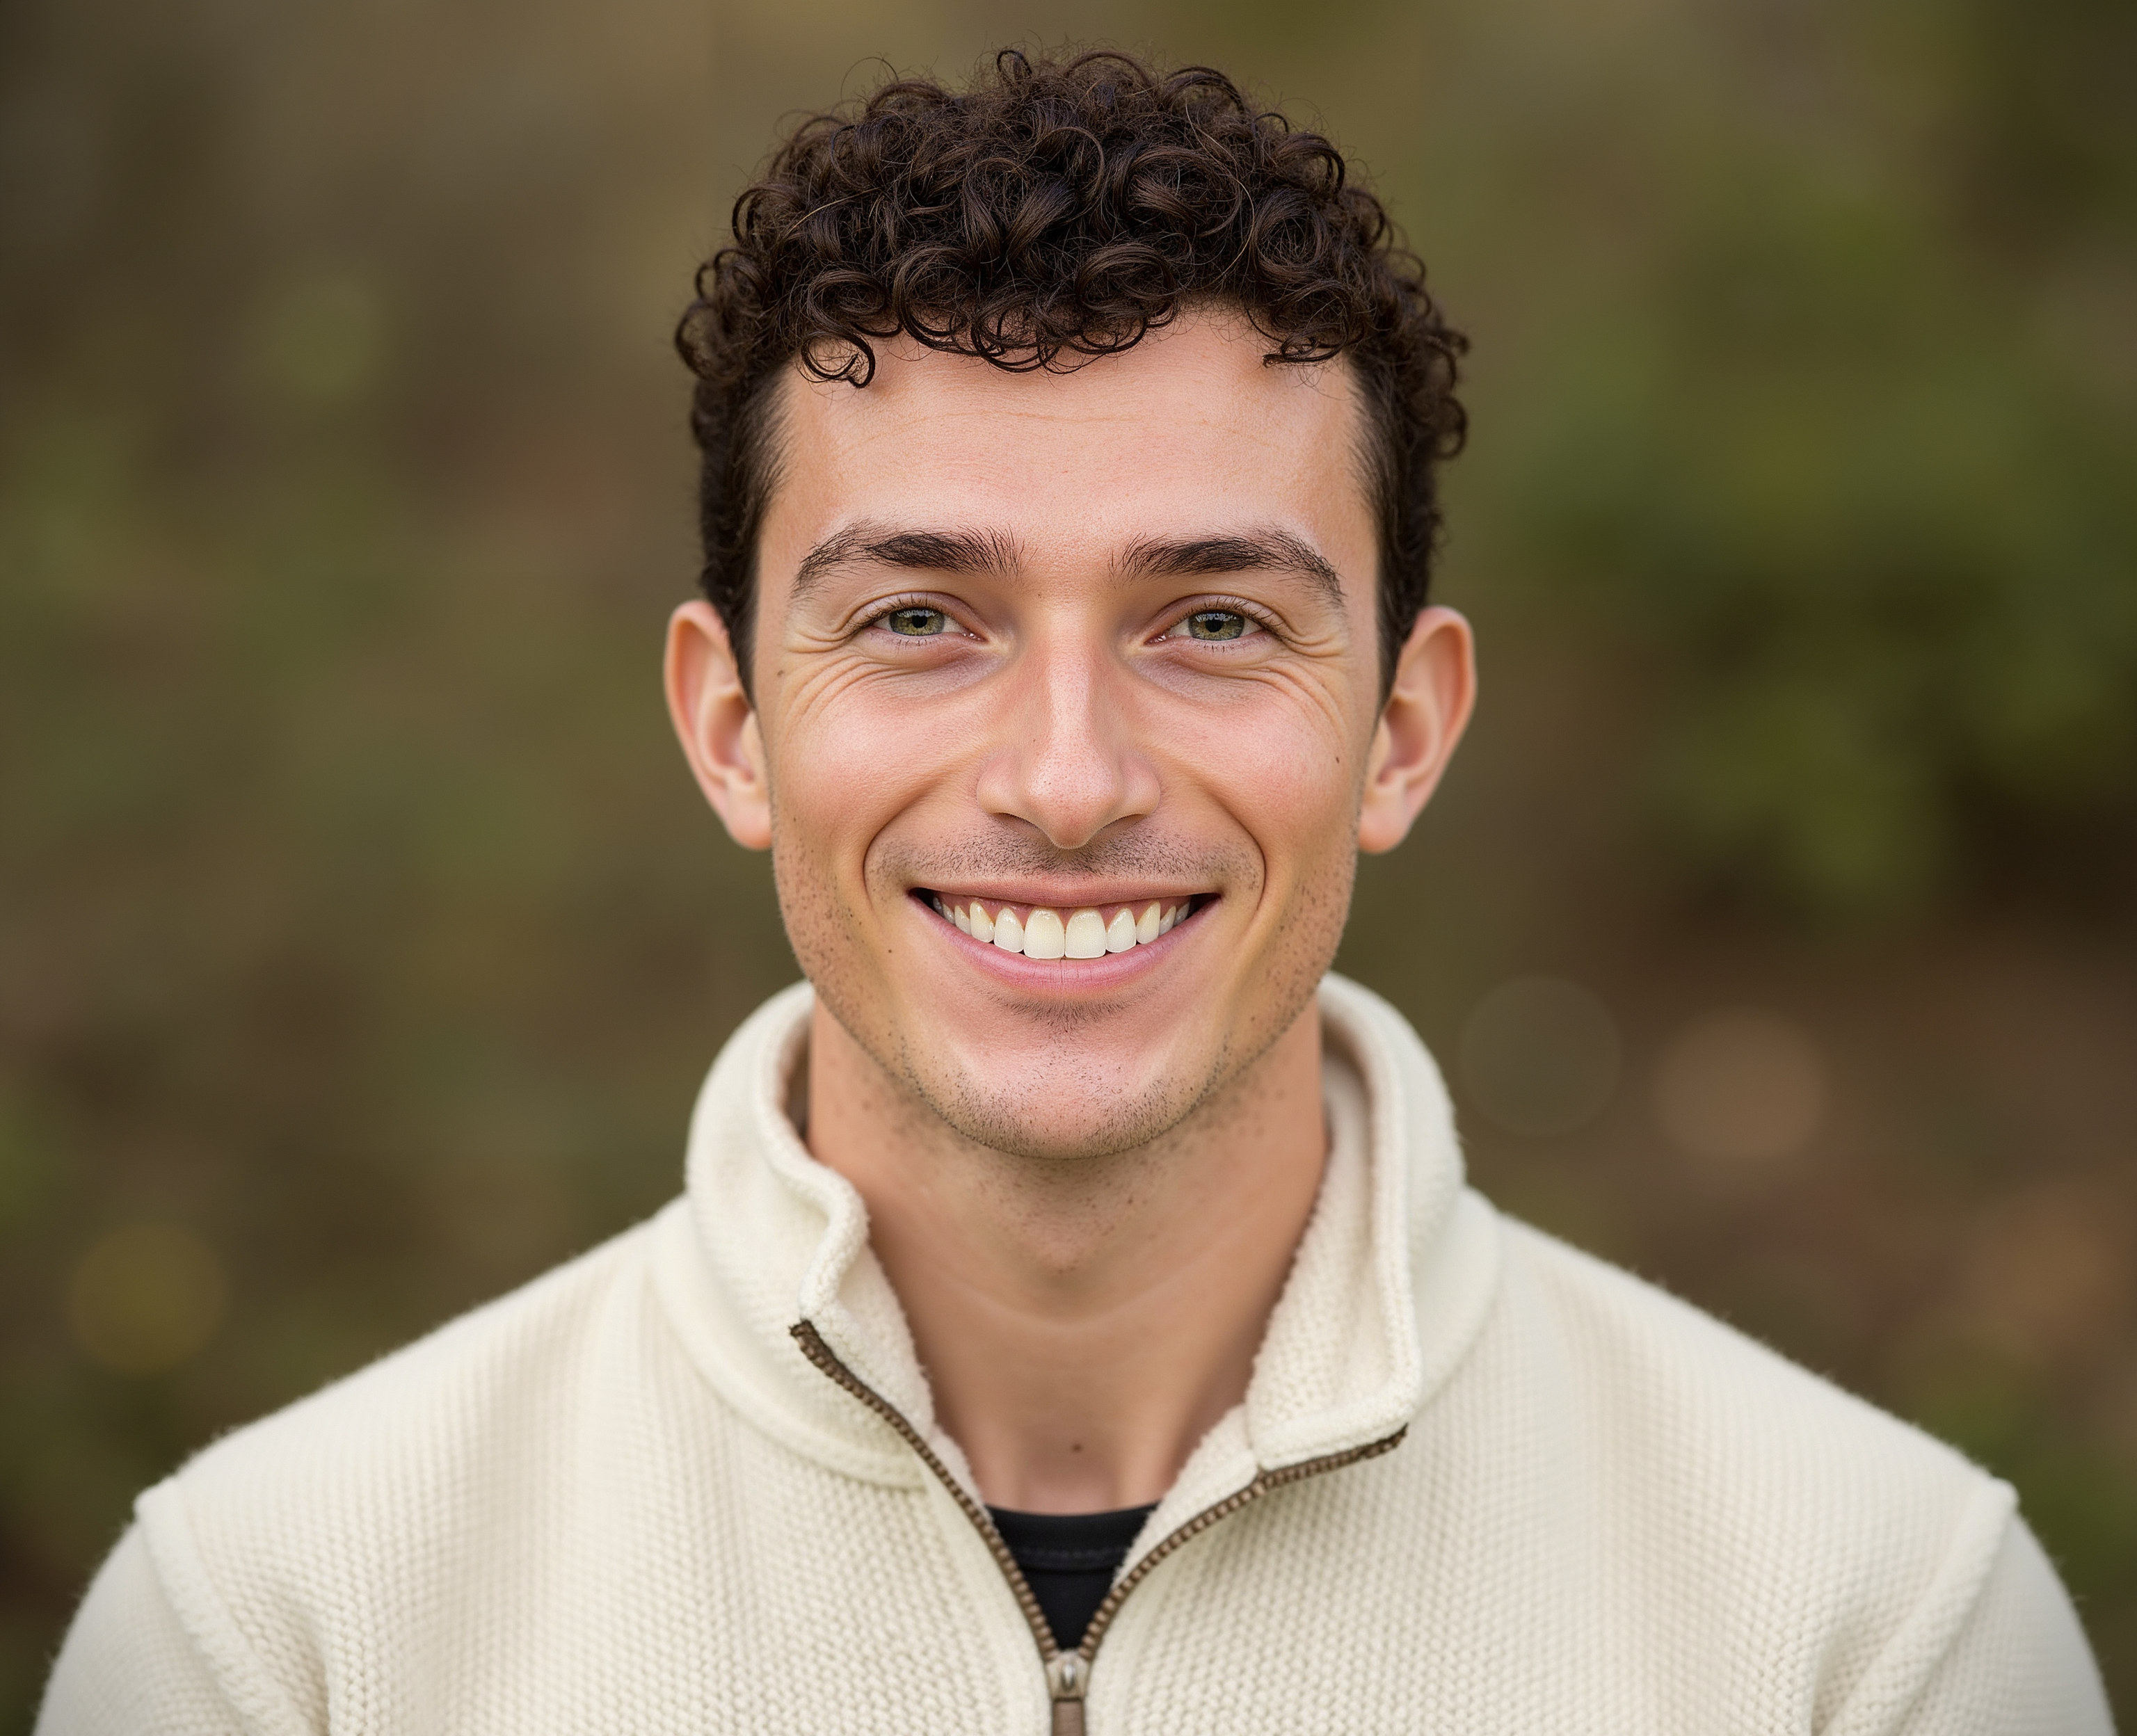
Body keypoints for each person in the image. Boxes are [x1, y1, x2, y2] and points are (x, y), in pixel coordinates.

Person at [38, 48, 2111, 1736]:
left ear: (1400, 728)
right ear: (734, 724)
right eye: (923, 616)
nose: (1063, 779)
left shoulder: (1871, 1632)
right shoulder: (281, 1636)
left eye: (1211, 621)